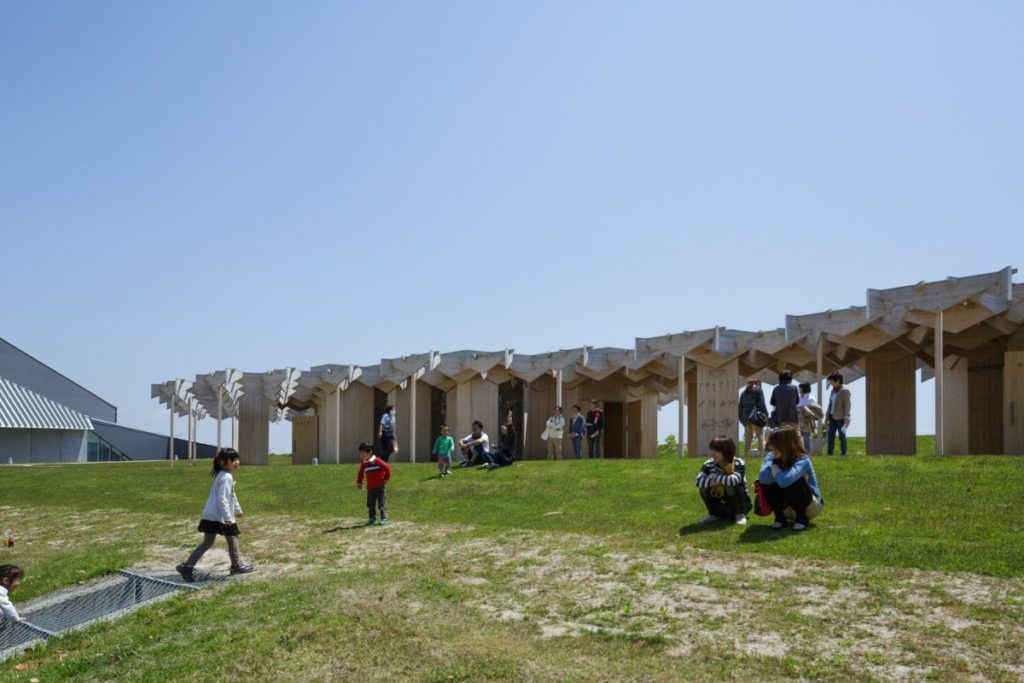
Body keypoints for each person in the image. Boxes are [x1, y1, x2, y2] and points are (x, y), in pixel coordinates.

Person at [176, 448, 255, 582]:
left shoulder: (222, 475)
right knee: (232, 538)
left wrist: (237, 509)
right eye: (232, 460)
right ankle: (236, 565)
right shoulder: (226, 476)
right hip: (220, 516)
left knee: (208, 542)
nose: (236, 462)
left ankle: (187, 566)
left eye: (237, 459)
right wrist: (228, 517)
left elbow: (231, 496)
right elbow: (222, 498)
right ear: (223, 462)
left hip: (210, 515)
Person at [758, 427, 824, 531]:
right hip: (787, 507)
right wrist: (775, 465)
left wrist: (775, 468)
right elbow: (763, 478)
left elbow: (786, 480)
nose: (772, 448)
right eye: (771, 445)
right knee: (768, 483)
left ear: (786, 444)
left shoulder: (803, 459)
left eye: (775, 445)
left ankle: (802, 519)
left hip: (810, 507)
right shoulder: (771, 456)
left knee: (795, 480)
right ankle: (779, 518)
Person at [695, 436, 751, 525]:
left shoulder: (738, 462)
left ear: (726, 450)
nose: (713, 453)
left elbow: (733, 480)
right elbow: (698, 482)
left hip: (741, 503)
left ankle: (739, 514)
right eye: (712, 449)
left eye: (716, 450)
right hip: (720, 503)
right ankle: (713, 514)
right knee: (703, 488)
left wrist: (714, 477)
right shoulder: (708, 464)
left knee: (730, 484)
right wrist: (721, 481)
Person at [357, 442, 392, 525]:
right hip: (370, 488)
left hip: (380, 488)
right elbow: (361, 473)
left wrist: (386, 479)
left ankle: (384, 518)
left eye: (363, 453)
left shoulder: (377, 461)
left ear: (370, 452)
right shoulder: (364, 463)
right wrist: (359, 482)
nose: (361, 455)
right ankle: (372, 518)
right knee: (370, 505)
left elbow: (387, 468)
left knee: (381, 504)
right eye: (360, 453)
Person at [738, 378, 768, 457]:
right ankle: (761, 455)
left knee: (748, 437)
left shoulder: (743, 393)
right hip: (756, 417)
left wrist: (741, 419)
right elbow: (762, 404)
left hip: (745, 418)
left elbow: (740, 407)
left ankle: (745, 455)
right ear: (758, 383)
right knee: (760, 436)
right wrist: (766, 416)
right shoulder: (758, 391)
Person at [825, 372, 852, 455]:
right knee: (830, 435)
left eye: (832, 382)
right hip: (832, 416)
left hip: (841, 418)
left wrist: (846, 418)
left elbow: (847, 405)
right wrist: (827, 416)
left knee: (842, 436)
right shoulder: (833, 391)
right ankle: (830, 453)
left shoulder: (845, 391)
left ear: (838, 381)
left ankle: (844, 453)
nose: (831, 384)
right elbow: (830, 404)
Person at [797, 382, 824, 454]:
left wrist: (803, 408)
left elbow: (813, 410)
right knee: (798, 438)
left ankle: (808, 453)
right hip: (799, 420)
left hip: (807, 421)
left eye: (800, 388)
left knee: (806, 439)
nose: (799, 389)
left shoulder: (811, 398)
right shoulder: (799, 397)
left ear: (803, 389)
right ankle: (801, 453)